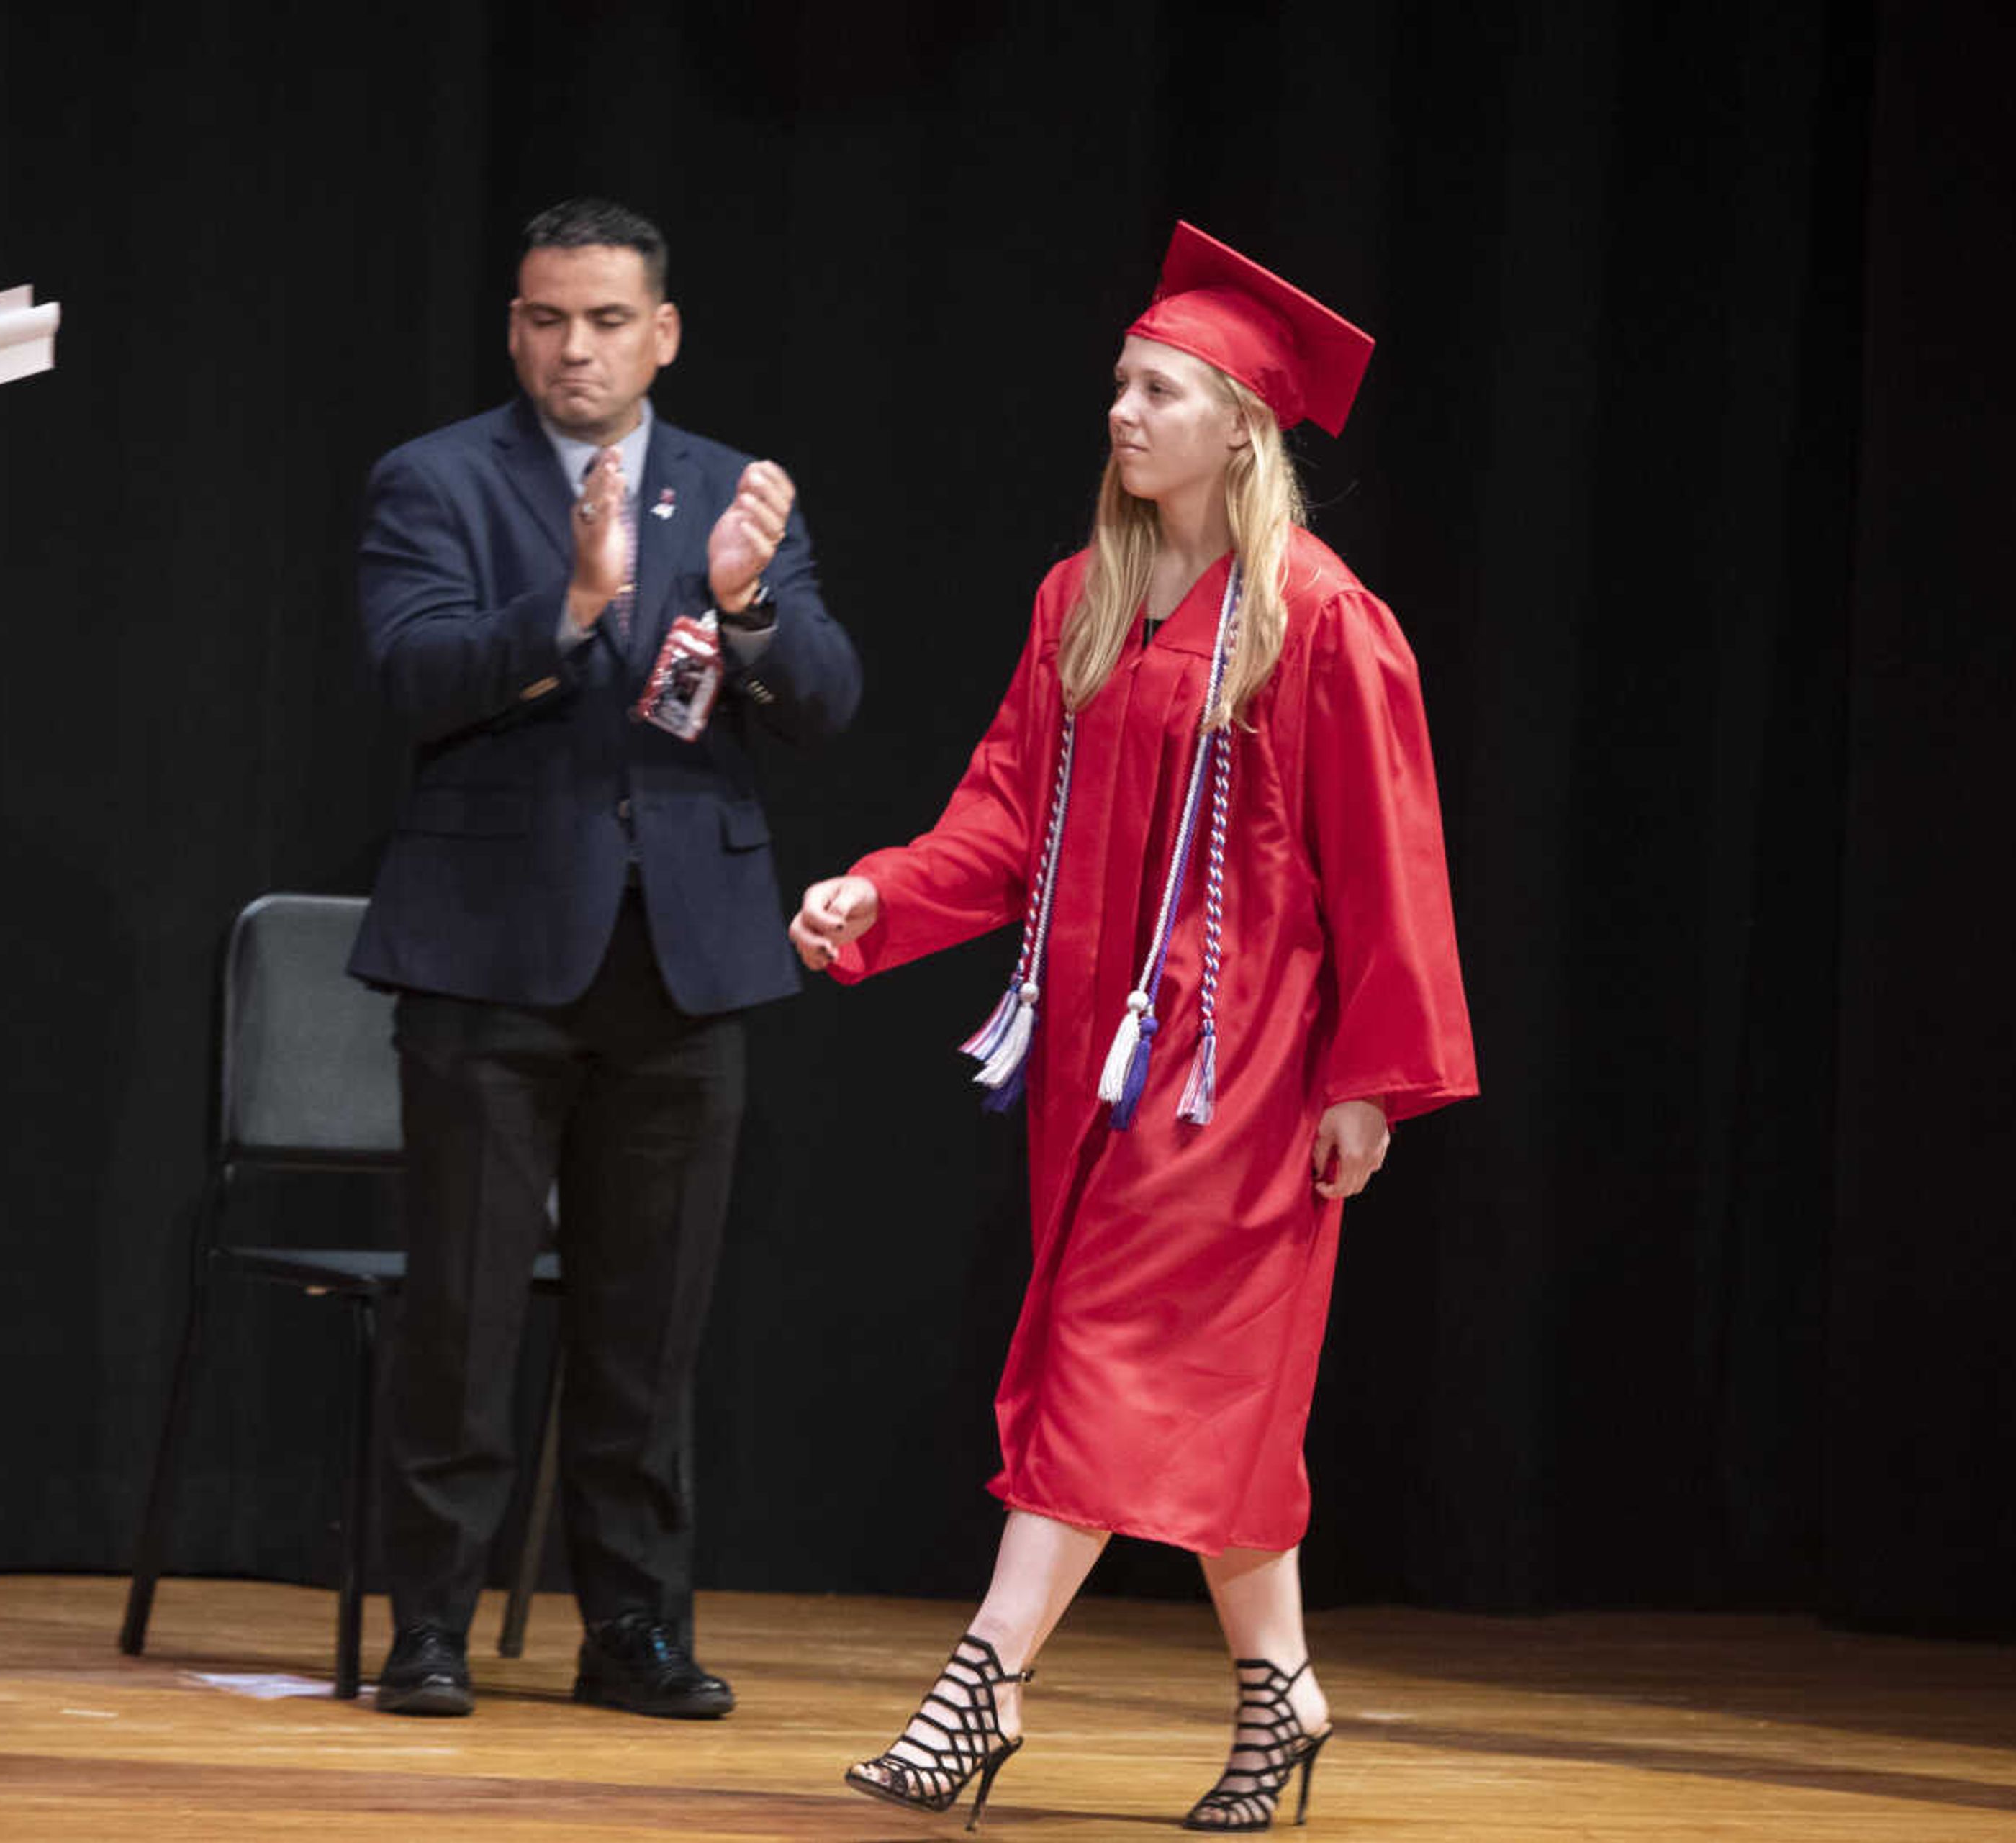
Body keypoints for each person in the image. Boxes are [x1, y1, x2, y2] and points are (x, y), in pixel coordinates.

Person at [790, 222, 1477, 1829]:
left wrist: (1374, 1084)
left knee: (1102, 1357)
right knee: (1209, 1402)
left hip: (1246, 1065)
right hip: (1095, 1064)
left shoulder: (1318, 616)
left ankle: (984, 1686)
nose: (1124, 410)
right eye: (1120, 382)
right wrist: (882, 897)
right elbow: (1006, 818)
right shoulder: (1080, 598)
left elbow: (1393, 862)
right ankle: (1283, 1696)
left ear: (1245, 421)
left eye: (1160, 388)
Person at [349, 199, 859, 1719]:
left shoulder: (730, 487)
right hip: (492, 954)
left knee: (651, 1325)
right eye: (547, 320)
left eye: (607, 321)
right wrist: (566, 605)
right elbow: (412, 671)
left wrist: (752, 600)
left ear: (663, 333)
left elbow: (824, 698)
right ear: (515, 328)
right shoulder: (436, 478)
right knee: (464, 1314)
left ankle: (633, 1630)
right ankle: (430, 1625)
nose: (577, 348)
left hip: (685, 962)